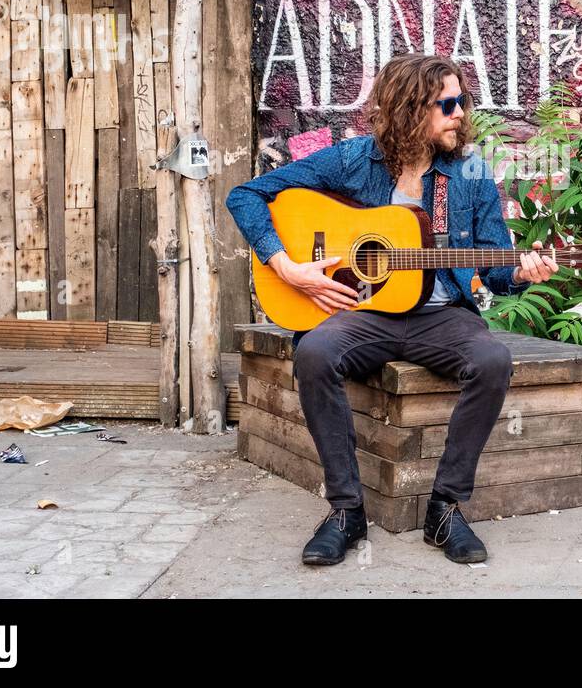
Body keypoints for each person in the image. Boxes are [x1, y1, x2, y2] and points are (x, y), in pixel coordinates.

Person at [225, 55, 558, 564]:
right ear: (410, 109)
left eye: (462, 102)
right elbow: (246, 195)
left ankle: (445, 509)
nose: (460, 114)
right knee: (314, 353)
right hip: (364, 312)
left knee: (492, 361)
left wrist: (518, 271)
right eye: (447, 104)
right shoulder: (355, 160)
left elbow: (493, 267)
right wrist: (289, 268)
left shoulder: (470, 173)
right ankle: (346, 511)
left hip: (441, 315)